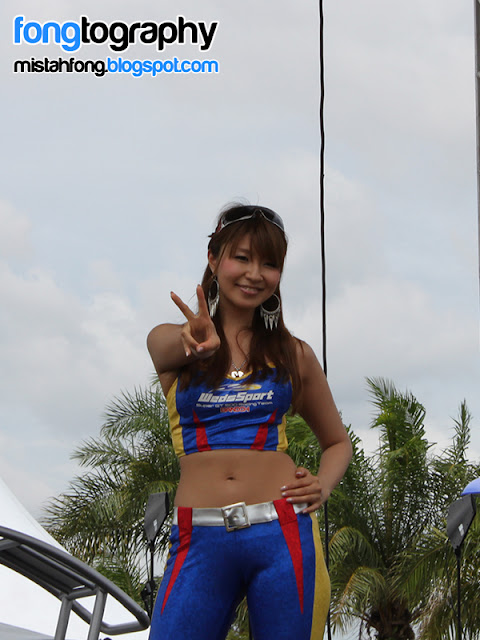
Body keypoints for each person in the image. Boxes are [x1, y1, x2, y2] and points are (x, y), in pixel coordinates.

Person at [147, 204, 352, 640]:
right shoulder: (174, 344)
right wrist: (194, 341)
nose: (255, 274)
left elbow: (338, 442)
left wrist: (323, 485)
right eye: (241, 258)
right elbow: (162, 345)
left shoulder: (294, 354)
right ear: (213, 258)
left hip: (283, 532)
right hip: (197, 538)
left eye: (270, 264)